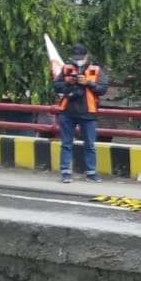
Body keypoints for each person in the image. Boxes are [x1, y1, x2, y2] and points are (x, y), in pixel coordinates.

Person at [53, 43, 109, 184]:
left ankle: (91, 173)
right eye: (75, 57)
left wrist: (88, 83)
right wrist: (69, 82)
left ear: (86, 56)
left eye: (80, 57)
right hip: (67, 111)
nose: (77, 60)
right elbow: (56, 86)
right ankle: (66, 173)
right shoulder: (66, 68)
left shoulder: (95, 70)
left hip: (88, 112)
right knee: (66, 143)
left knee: (90, 144)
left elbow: (102, 89)